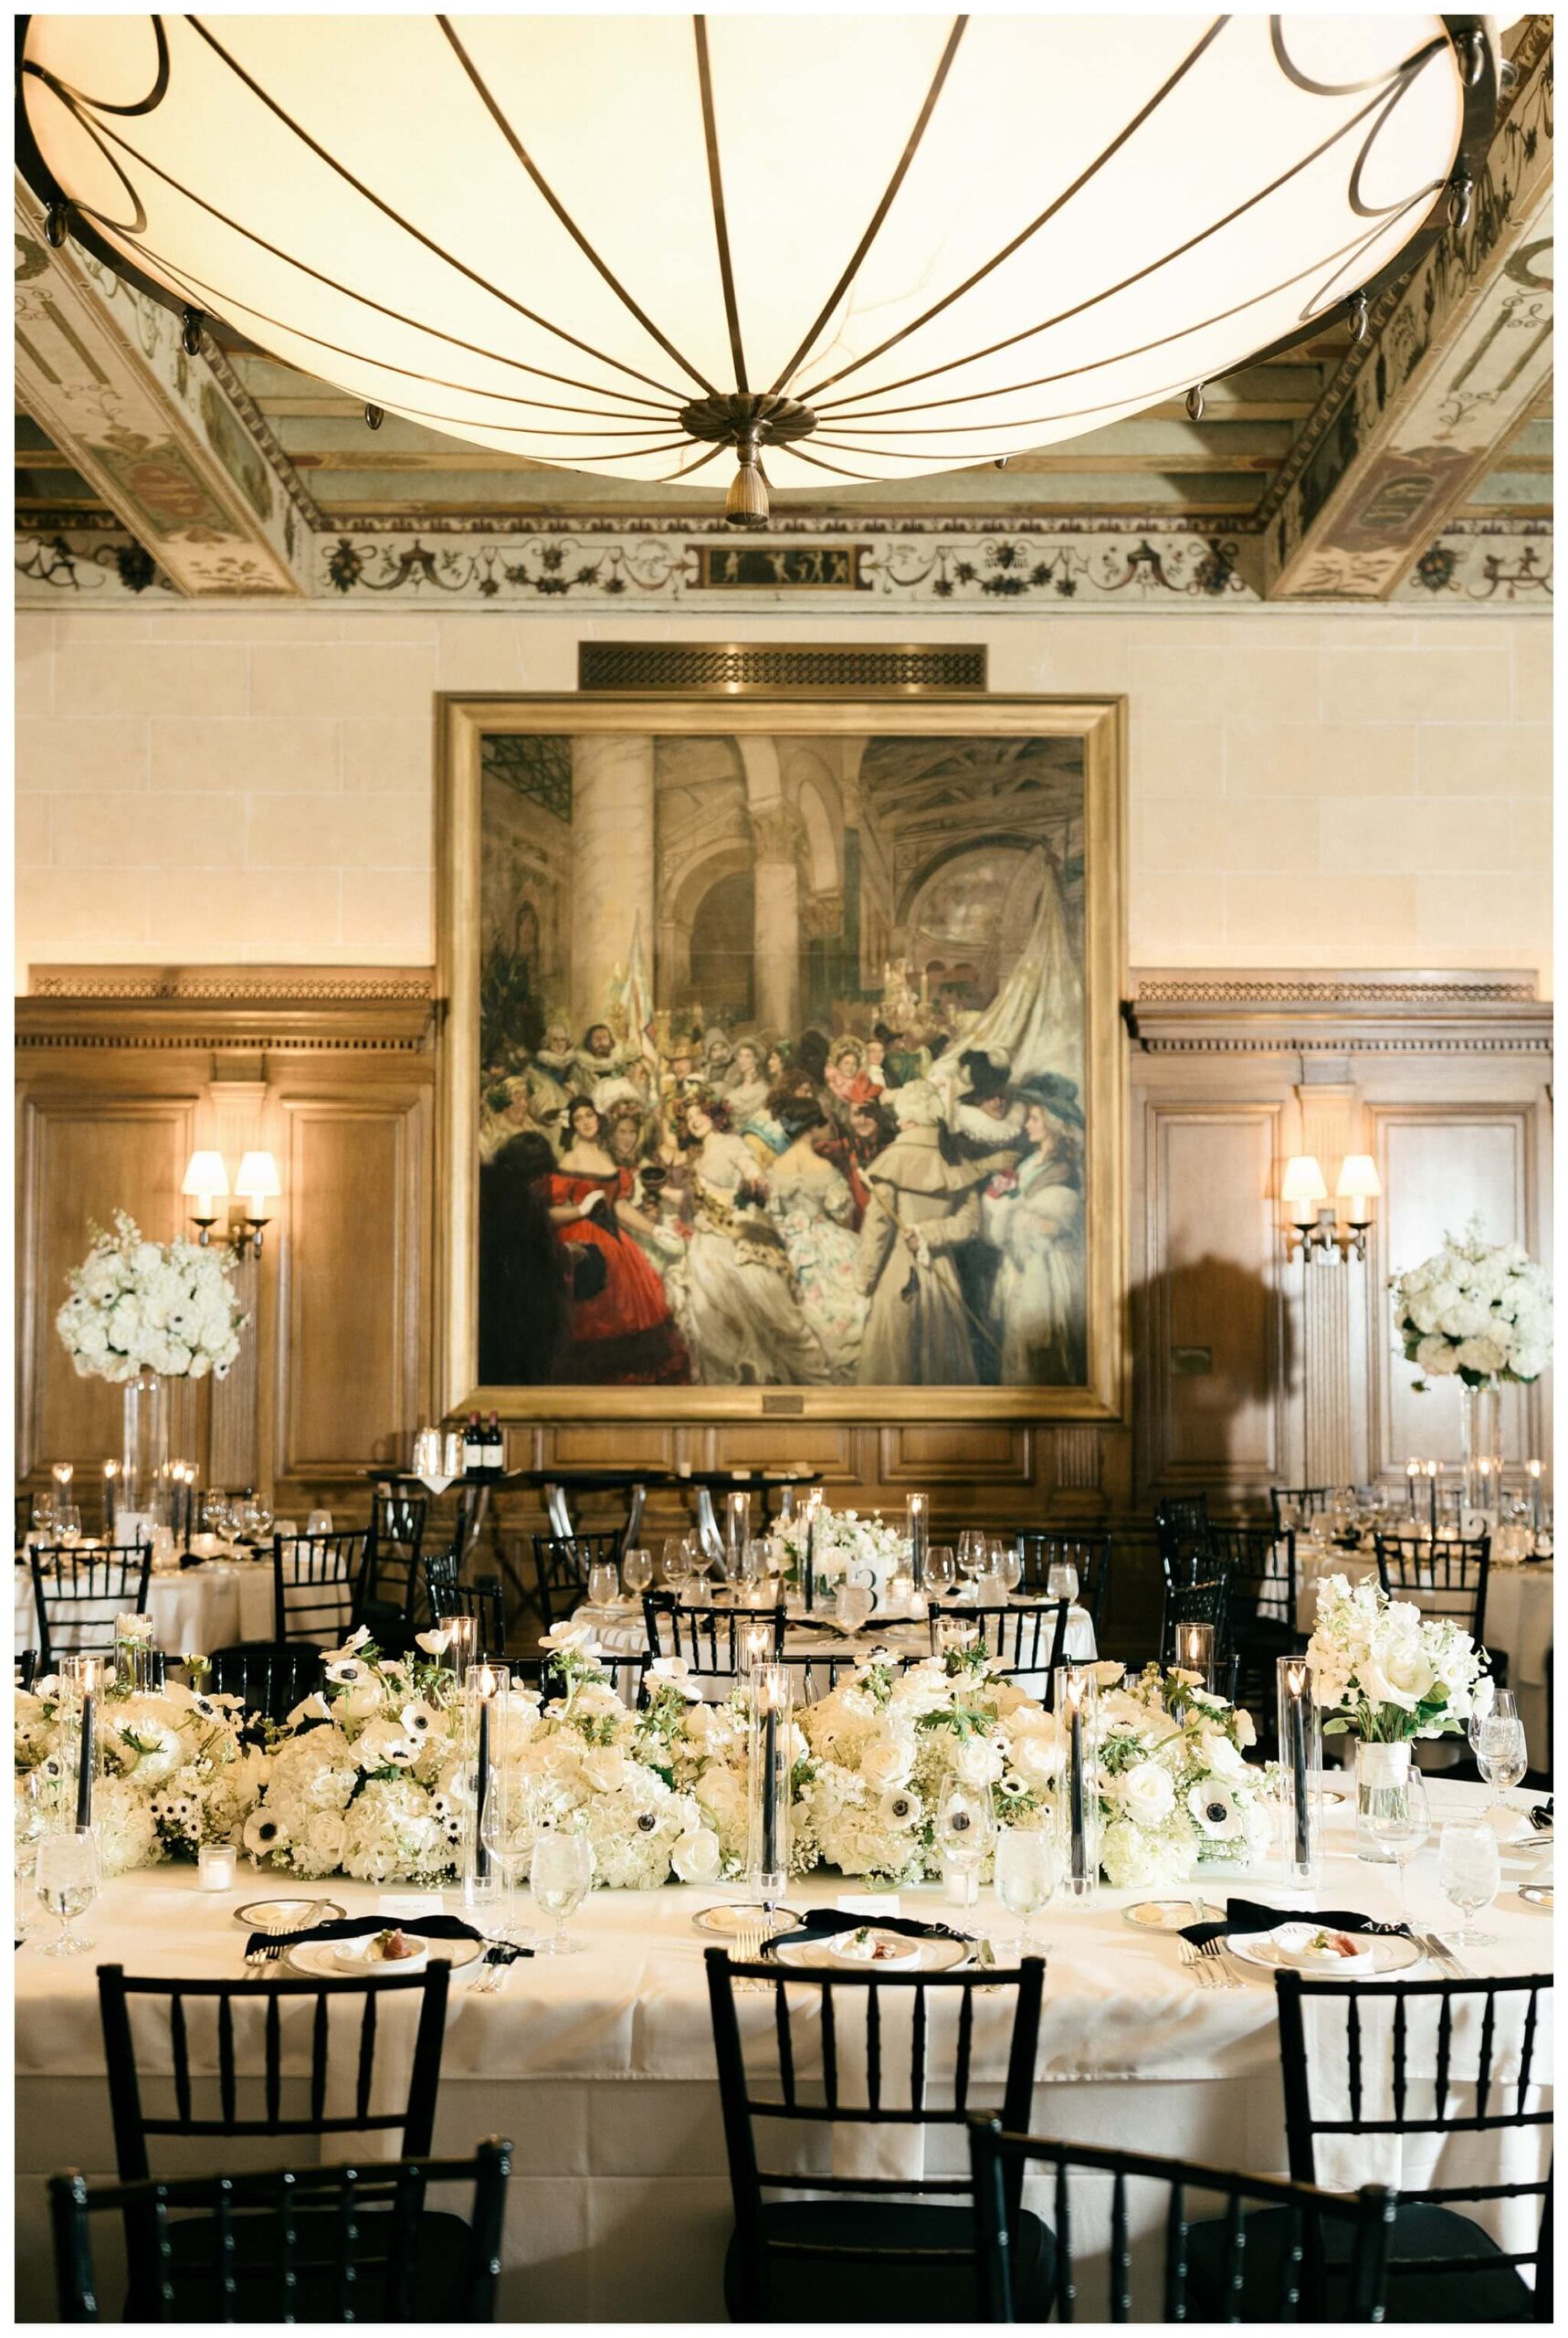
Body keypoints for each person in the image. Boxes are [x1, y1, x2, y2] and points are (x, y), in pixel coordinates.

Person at [855, 1079, 1016, 1386]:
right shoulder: (954, 1157)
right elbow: (968, 1224)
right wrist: (931, 1233)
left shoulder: (893, 1157)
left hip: (895, 1275)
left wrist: (864, 1282)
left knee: (893, 1365)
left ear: (907, 1116)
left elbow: (877, 1231)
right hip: (942, 1275)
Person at [673, 1091, 831, 1385]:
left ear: (714, 1114)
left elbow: (751, 1171)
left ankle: (818, 1383)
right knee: (713, 1321)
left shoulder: (732, 1144)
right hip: (706, 1249)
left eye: (700, 1113)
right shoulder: (696, 1159)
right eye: (688, 1117)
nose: (695, 1120)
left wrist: (754, 1180)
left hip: (739, 1241)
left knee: (775, 1314)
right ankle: (735, 1384)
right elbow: (689, 1198)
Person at [544, 1099, 689, 1382]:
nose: (586, 1122)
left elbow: (619, 1207)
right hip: (583, 1240)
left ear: (598, 1118)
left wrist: (654, 1230)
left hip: (614, 1238)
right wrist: (581, 1210)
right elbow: (550, 1213)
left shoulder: (607, 1156)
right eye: (578, 1119)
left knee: (638, 1301)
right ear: (572, 1125)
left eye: (589, 1115)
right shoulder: (569, 1160)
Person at [983, 1088, 1088, 1385]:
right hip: (1021, 1263)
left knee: (1045, 1351)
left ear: (1052, 1123)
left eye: (1034, 1119)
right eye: (1028, 1118)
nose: (1027, 1124)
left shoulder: (1064, 1170)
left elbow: (1056, 1224)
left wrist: (1020, 1218)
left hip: (1048, 1269)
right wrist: (997, 1199)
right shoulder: (1028, 1164)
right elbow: (1011, 1207)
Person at [766, 1094, 867, 1380]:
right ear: (811, 1128)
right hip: (825, 1240)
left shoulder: (775, 1168)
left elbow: (772, 1212)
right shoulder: (824, 1168)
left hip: (787, 1242)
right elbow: (841, 1211)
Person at [478, 1131, 570, 1384]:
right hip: (513, 1313)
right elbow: (537, 1265)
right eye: (543, 1177)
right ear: (535, 1174)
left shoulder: (482, 1184)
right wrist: (566, 1254)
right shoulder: (524, 1203)